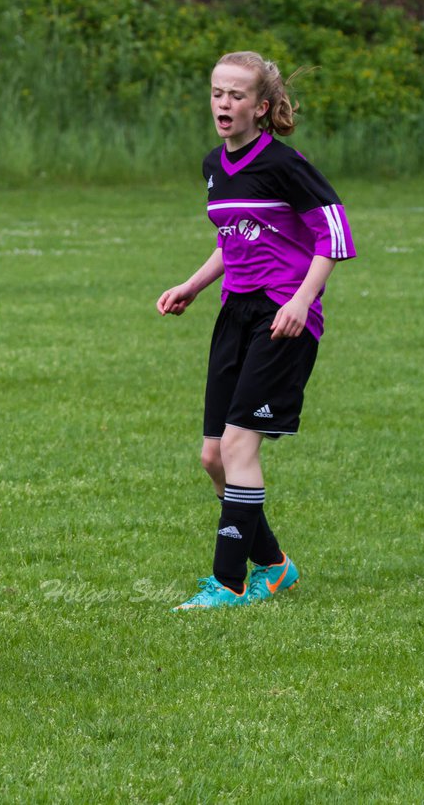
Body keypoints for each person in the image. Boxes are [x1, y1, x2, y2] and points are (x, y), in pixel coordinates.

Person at [156, 52, 356, 609]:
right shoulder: (214, 165)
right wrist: (192, 286)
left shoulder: (286, 165)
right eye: (218, 93)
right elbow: (233, 239)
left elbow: (333, 235)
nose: (224, 103)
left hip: (283, 317)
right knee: (213, 457)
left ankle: (229, 582)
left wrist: (301, 299)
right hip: (235, 312)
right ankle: (273, 564)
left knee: (241, 445)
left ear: (261, 106)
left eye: (237, 95)